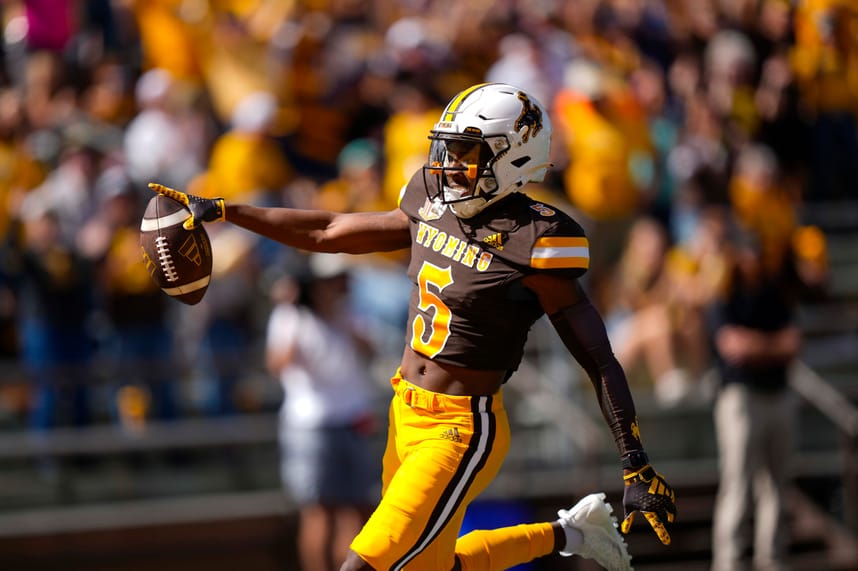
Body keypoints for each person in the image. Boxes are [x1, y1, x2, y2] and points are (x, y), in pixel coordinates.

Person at [150, 82, 676, 571]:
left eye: (467, 155)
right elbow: (331, 229)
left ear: (515, 157)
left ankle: (573, 535)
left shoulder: (538, 238)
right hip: (405, 411)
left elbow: (597, 356)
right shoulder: (431, 199)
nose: (448, 167)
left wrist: (635, 462)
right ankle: (572, 534)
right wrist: (226, 210)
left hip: (461, 428)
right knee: (432, 566)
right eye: (447, 151)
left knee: (366, 562)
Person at [266, 253, 381, 571]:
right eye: (333, 280)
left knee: (359, 511)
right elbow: (277, 364)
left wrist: (342, 321)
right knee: (319, 513)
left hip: (352, 420)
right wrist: (293, 311)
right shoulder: (290, 316)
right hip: (310, 426)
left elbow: (370, 349)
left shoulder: (350, 312)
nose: (341, 285)